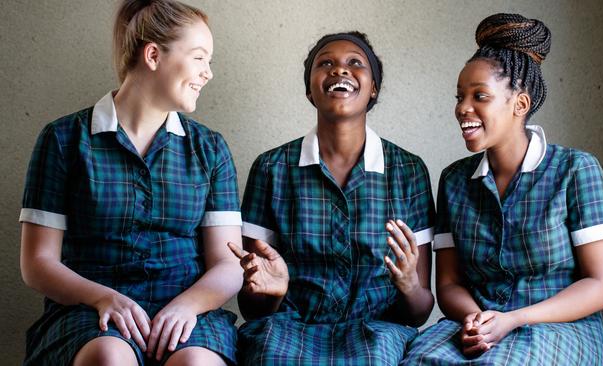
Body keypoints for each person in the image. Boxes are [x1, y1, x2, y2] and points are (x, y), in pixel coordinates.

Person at [19, 1, 243, 365]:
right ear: (153, 55)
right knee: (109, 356)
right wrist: (104, 298)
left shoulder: (210, 149)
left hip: (188, 311)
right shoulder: (62, 139)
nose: (208, 74)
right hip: (88, 311)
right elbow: (37, 262)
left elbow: (228, 263)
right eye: (200, 58)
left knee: (195, 363)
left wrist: (186, 306)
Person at [401, 13, 603, 365]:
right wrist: (476, 320)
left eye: (479, 96)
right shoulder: (455, 180)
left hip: (560, 327)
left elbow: (601, 285)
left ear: (520, 104)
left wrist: (514, 319)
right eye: (459, 96)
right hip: (480, 325)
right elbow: (450, 283)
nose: (462, 108)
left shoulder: (576, 170)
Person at [227, 31, 436, 365]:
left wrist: (410, 284)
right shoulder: (271, 168)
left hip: (377, 331)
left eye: (355, 62)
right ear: (310, 90)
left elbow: (419, 313)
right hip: (288, 328)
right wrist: (272, 291)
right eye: (325, 63)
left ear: (374, 88)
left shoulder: (408, 171)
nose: (340, 70)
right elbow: (252, 310)